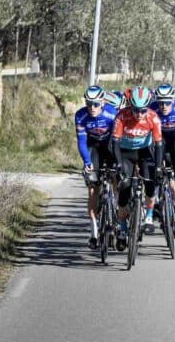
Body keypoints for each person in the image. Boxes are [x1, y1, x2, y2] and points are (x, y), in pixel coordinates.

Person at [111, 86, 164, 250]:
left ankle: (148, 215)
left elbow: (159, 144)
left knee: (150, 182)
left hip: (144, 153)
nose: (139, 114)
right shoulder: (121, 116)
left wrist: (159, 167)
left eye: (142, 111)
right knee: (125, 186)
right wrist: (119, 164)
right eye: (135, 110)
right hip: (126, 153)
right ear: (130, 106)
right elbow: (115, 143)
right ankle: (122, 225)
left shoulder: (153, 118)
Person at [74, 85, 118, 249]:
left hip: (110, 147)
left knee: (116, 179)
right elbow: (82, 142)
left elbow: (116, 140)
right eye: (89, 103)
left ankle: (120, 218)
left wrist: (118, 162)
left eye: (96, 104)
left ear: (102, 103)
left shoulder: (112, 113)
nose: (92, 108)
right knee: (93, 187)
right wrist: (86, 162)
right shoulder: (80, 115)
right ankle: (94, 232)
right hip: (93, 149)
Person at [149, 83, 175, 246]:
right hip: (159, 142)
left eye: (167, 102)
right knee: (152, 173)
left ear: (173, 100)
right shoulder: (152, 109)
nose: (164, 106)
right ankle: (153, 208)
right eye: (160, 102)